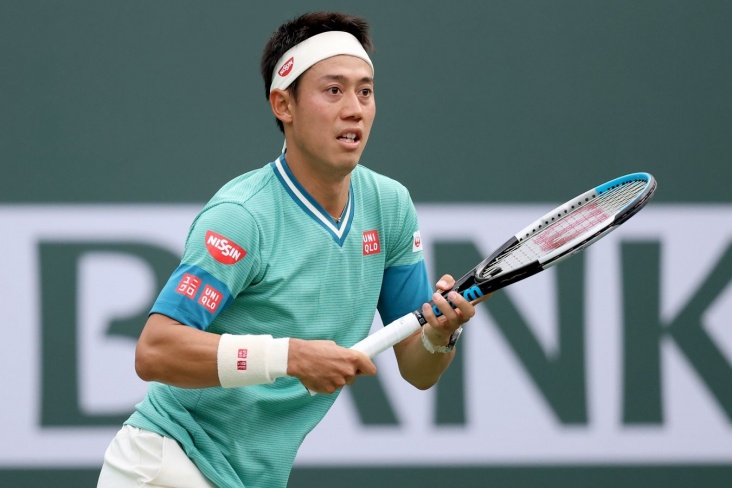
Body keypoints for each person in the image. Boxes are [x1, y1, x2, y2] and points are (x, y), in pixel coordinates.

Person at [97, 11, 477, 488]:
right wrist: (291, 357)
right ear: (284, 104)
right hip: (168, 465)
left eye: (365, 91)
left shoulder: (390, 206)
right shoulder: (242, 217)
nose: (355, 109)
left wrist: (441, 334)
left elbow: (419, 371)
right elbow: (155, 350)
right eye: (333, 90)